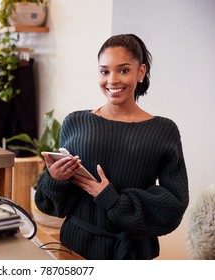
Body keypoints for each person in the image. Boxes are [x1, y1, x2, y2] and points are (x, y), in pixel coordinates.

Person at [35, 34, 189, 260]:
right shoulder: (75, 122)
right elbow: (51, 206)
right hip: (74, 249)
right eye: (104, 71)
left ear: (141, 72)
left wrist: (113, 200)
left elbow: (173, 207)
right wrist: (55, 179)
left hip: (132, 255)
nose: (112, 80)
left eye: (124, 70)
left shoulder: (164, 130)